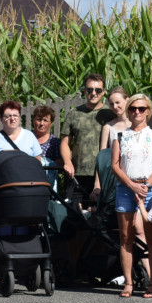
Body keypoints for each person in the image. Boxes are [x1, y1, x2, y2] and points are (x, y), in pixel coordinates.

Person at [110, 93, 152, 299]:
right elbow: (115, 165)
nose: (137, 112)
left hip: (149, 188)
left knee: (151, 237)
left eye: (141, 109)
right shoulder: (120, 135)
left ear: (148, 111)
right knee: (126, 237)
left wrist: (145, 186)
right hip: (126, 187)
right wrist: (132, 185)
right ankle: (129, 282)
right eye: (133, 108)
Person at [61, 74, 114, 205]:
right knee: (73, 214)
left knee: (101, 217)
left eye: (98, 90)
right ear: (84, 91)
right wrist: (67, 162)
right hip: (77, 173)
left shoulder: (111, 114)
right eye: (90, 90)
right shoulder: (74, 114)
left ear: (104, 92)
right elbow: (64, 143)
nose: (93, 93)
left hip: (103, 174)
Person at [31, 105, 62, 190]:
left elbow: (59, 162)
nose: (41, 123)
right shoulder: (26, 137)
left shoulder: (55, 142)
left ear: (51, 123)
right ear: (33, 120)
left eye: (45, 120)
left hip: (48, 183)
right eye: (39, 119)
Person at [98, 85, 131, 150]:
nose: (115, 106)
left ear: (127, 100)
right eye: (111, 104)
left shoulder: (137, 124)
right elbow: (103, 154)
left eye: (117, 102)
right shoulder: (108, 127)